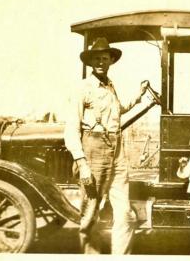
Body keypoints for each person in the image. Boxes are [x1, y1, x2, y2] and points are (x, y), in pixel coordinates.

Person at [64, 37, 149, 254]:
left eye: (105, 58)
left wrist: (139, 96)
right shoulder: (83, 88)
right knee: (91, 211)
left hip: (116, 149)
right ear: (91, 62)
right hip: (93, 150)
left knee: (124, 213)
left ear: (111, 60)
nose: (101, 62)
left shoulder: (110, 86)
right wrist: (82, 164)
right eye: (97, 59)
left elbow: (117, 110)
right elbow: (71, 129)